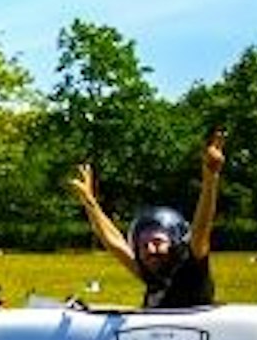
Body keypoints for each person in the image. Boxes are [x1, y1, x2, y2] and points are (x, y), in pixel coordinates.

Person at [69, 130, 225, 309]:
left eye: (158, 242)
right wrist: (89, 201)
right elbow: (114, 242)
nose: (151, 249)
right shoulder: (153, 275)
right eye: (143, 245)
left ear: (175, 242)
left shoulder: (192, 269)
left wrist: (211, 178)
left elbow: (202, 228)